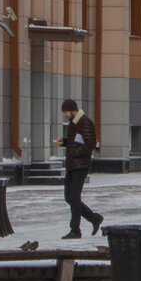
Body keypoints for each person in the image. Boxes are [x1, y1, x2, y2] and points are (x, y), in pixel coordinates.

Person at [54, 98, 103, 239]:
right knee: (69, 197)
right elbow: (77, 141)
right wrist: (65, 142)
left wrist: (74, 152)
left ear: (73, 110)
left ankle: (75, 230)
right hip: (73, 165)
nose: (65, 115)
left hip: (80, 165)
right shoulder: (74, 123)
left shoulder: (84, 122)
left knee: (74, 197)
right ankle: (94, 218)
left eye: (66, 112)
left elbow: (90, 143)